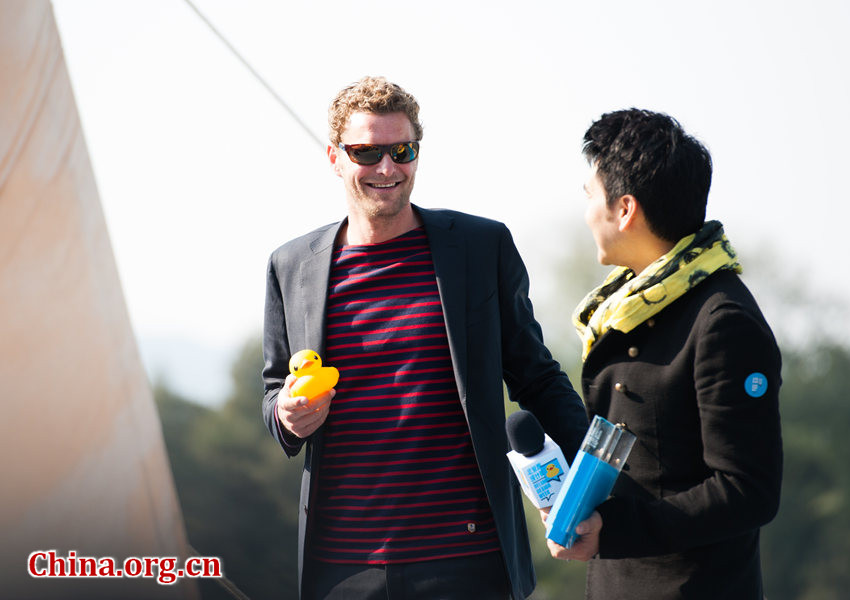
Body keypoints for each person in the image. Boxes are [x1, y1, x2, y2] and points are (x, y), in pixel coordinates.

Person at [261, 76, 588, 600]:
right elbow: (276, 392)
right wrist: (286, 415)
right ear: (334, 157)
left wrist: (597, 481)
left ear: (417, 152)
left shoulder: (483, 246)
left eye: (402, 150)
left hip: (468, 560)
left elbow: (538, 376)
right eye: (366, 151)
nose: (387, 168)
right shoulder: (291, 265)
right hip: (342, 569)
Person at [546, 109, 783, 599]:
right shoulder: (627, 310)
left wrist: (612, 529)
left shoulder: (722, 321)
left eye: (590, 195)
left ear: (625, 209)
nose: (587, 209)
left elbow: (747, 490)